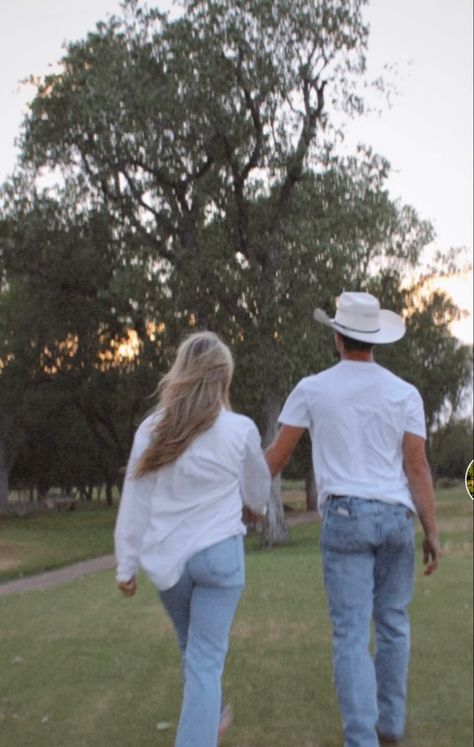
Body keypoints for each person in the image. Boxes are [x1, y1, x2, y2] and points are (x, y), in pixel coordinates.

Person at [265, 291, 441, 747]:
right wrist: (433, 531)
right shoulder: (405, 393)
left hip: (345, 516)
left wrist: (228, 484)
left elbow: (275, 459)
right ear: (374, 340)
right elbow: (416, 466)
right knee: (394, 623)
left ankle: (362, 739)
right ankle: (390, 728)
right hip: (396, 518)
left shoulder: (313, 388)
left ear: (337, 338)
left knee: (349, 633)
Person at [114, 331, 270, 747]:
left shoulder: (151, 430)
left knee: (194, 653)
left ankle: (211, 714)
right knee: (203, 661)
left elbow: (136, 500)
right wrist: (257, 509)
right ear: (223, 377)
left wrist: (126, 565)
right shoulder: (239, 428)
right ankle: (205, 725)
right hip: (220, 557)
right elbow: (258, 491)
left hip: (169, 564)